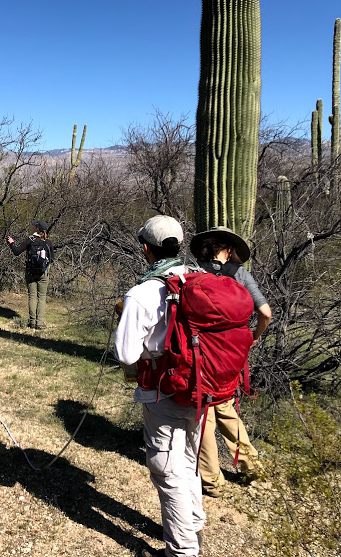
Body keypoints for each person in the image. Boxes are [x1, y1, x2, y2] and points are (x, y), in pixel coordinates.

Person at [115, 215, 205, 557]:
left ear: (145, 248)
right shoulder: (199, 279)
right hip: (201, 387)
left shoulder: (142, 293)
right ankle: (194, 526)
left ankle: (181, 551)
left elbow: (126, 352)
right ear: (180, 245)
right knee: (188, 461)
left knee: (167, 472)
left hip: (163, 391)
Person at [189, 226, 272, 498]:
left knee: (205, 416)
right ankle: (253, 469)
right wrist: (253, 337)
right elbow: (265, 313)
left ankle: (213, 482)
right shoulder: (240, 275)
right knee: (226, 407)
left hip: (201, 356)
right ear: (228, 249)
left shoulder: (191, 274)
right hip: (233, 356)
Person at [7, 219, 54, 329]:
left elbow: (16, 252)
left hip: (30, 272)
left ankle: (32, 323)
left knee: (32, 297)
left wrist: (12, 243)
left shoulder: (29, 240)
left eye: (35, 226)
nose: (33, 227)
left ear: (37, 229)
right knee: (41, 298)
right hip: (43, 273)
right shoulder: (48, 243)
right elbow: (52, 259)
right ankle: (40, 323)